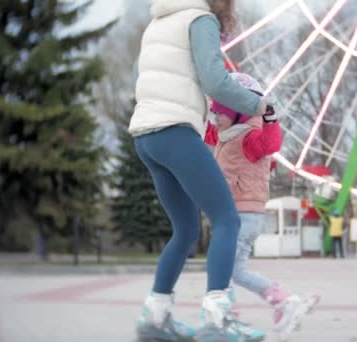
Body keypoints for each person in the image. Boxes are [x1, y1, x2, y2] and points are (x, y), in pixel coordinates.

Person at [129, 0, 268, 341]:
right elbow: (215, 80)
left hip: (146, 138)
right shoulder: (200, 19)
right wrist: (257, 105)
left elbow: (140, 77)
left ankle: (155, 318)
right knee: (227, 220)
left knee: (186, 230)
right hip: (175, 131)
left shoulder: (156, 24)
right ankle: (216, 321)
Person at [205, 72, 320, 341]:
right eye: (215, 112)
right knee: (232, 268)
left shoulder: (250, 137)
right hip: (235, 212)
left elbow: (271, 144)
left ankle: (244, 312)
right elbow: (205, 130)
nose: (216, 117)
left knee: (227, 268)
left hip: (244, 213)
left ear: (238, 114)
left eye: (221, 112)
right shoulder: (224, 133)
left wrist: (269, 118)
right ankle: (281, 303)